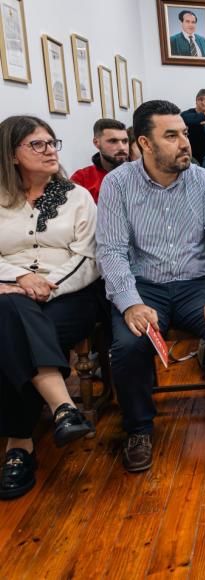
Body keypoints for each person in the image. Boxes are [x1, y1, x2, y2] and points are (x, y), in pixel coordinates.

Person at [97, 100, 205, 472]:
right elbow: (113, 252)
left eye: (184, 133)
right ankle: (138, 428)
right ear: (145, 144)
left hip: (195, 285)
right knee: (127, 344)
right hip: (144, 286)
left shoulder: (203, 181)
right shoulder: (118, 185)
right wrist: (130, 303)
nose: (184, 142)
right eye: (171, 136)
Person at [0, 116, 100, 498]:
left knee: (11, 334)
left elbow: (88, 257)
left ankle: (18, 446)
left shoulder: (77, 196)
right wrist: (21, 280)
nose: (50, 151)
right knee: (12, 319)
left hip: (69, 295)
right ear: (11, 155)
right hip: (10, 292)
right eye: (37, 145)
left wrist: (46, 286)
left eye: (51, 142)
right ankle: (63, 409)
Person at [70, 118, 129, 202]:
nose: (122, 147)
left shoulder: (141, 174)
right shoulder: (82, 179)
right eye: (113, 141)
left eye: (125, 141)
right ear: (96, 142)